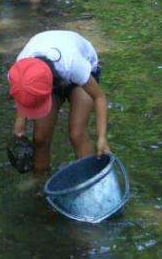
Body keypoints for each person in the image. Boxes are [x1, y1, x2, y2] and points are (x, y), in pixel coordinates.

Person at [8, 30, 110, 171]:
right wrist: (20, 122)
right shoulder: (18, 72)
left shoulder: (74, 64)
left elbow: (99, 97)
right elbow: (23, 94)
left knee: (77, 134)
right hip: (41, 72)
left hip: (81, 66)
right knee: (40, 138)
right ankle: (40, 183)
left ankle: (91, 182)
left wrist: (102, 137)